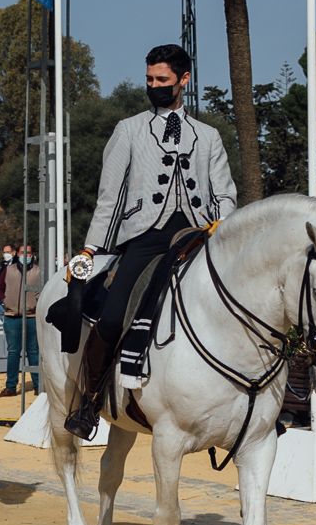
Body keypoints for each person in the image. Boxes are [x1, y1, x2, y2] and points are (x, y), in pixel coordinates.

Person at [62, 44, 236, 437]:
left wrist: (221, 223)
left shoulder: (208, 137)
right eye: (150, 80)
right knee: (110, 316)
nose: (154, 86)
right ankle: (90, 401)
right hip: (144, 236)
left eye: (162, 80)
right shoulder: (129, 129)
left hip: (197, 236)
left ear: (183, 80)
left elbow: (225, 192)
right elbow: (109, 196)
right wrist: (92, 247)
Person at [0, 243, 41, 398]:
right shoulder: (8, 270)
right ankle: (10, 387)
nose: (25, 255)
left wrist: (37, 301)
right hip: (11, 317)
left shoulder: (39, 271)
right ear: (17, 254)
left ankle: (38, 385)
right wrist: (5, 301)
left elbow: (43, 289)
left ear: (32, 254)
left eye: (28, 252)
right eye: (22, 252)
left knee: (33, 353)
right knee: (13, 352)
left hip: (32, 317)